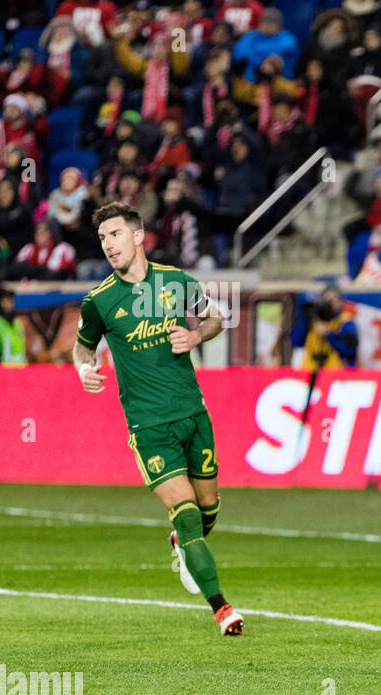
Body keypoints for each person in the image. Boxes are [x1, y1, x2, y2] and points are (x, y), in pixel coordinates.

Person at [73, 202, 244, 636]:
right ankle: (222, 609)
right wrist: (84, 368)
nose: (108, 244)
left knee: (209, 511)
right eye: (102, 238)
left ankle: (181, 545)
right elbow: (82, 346)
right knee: (186, 515)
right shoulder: (100, 301)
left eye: (114, 234)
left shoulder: (174, 282)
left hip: (193, 414)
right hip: (148, 427)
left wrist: (195, 334)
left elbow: (215, 318)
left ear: (137, 235)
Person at [0, 284, 27, 365]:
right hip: (2, 374)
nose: (11, 303)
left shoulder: (17, 323)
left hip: (20, 373)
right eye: (6, 300)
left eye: (11, 300)